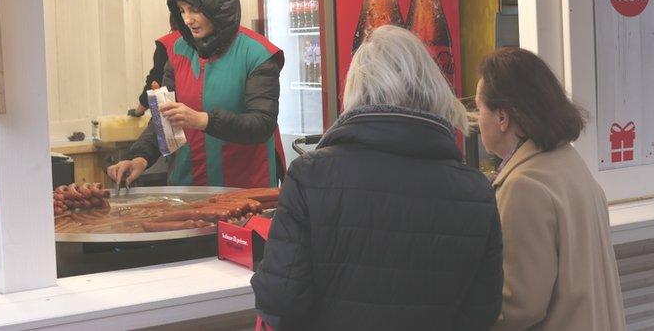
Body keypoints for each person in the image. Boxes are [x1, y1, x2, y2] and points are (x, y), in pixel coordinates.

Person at [252, 26, 503, 331]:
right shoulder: (476, 190)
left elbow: (281, 302)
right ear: (434, 89)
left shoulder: (310, 175)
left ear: (355, 91)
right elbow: (482, 312)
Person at [476, 47, 625, 331]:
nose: (476, 118)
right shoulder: (568, 163)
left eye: (479, 107)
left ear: (502, 117)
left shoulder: (524, 186)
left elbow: (519, 305)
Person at [107, 0, 286, 188]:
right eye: (182, 11)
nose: (187, 19)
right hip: (187, 188)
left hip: (244, 191)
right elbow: (164, 119)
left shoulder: (257, 54)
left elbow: (262, 124)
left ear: (219, 8)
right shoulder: (177, 51)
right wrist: (140, 158)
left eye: (194, 10)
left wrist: (202, 120)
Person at [131, 14, 182, 117]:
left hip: (172, 110)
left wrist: (139, 110)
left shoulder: (168, 43)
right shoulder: (206, 41)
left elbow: (155, 79)